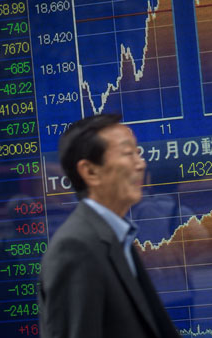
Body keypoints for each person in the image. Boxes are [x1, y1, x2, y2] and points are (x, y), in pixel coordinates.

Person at [38, 114, 181, 338]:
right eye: (128, 154)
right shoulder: (75, 248)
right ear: (90, 172)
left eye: (138, 153)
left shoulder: (115, 235)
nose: (141, 163)